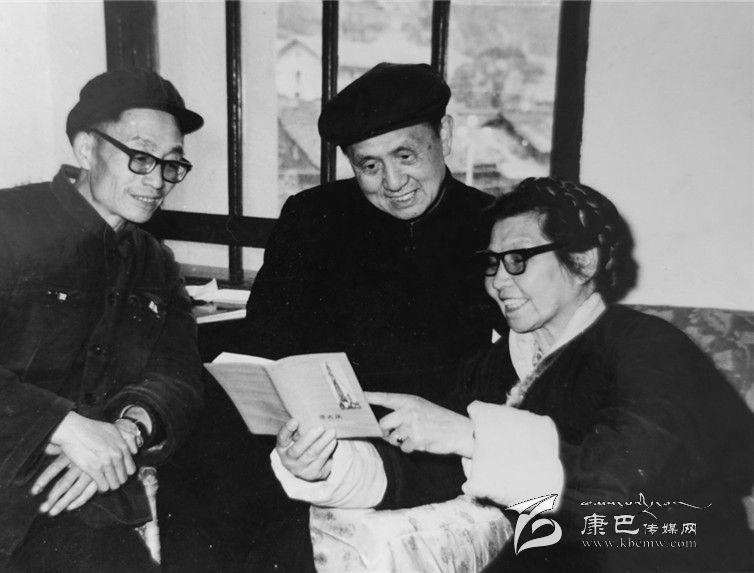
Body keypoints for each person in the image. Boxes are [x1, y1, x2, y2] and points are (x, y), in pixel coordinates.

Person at [272, 177, 754, 572]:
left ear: (584, 260)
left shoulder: (648, 345)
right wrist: (329, 463)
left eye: (518, 260)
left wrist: (470, 436)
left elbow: (623, 486)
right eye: (492, 264)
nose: (499, 281)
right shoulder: (496, 364)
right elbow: (434, 472)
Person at [159, 62, 501, 571]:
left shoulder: (492, 227)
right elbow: (264, 338)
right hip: (307, 419)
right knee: (203, 457)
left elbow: (517, 360)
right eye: (369, 166)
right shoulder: (313, 215)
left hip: (416, 432)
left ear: (444, 136)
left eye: (405, 156)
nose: (393, 183)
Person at [0, 68, 206, 572]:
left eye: (172, 164)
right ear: (87, 149)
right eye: (140, 156)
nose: (157, 180)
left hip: (86, 503)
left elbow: (179, 375)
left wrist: (126, 432)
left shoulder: (155, 263)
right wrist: (66, 427)